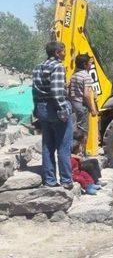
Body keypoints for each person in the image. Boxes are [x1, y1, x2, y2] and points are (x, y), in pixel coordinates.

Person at [32, 41, 74, 189]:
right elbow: (56, 92)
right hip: (55, 109)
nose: (65, 53)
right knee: (64, 145)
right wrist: (63, 110)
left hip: (42, 108)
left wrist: (36, 109)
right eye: (63, 51)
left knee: (47, 146)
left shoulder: (38, 67)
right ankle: (66, 181)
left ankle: (50, 181)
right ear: (57, 53)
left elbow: (34, 91)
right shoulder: (58, 66)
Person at [68, 54, 98, 153]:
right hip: (82, 106)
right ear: (85, 64)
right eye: (90, 63)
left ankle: (73, 153)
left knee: (74, 130)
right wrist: (92, 109)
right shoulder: (86, 76)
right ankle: (81, 154)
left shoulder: (74, 75)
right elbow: (86, 94)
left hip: (73, 105)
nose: (91, 64)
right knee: (82, 132)